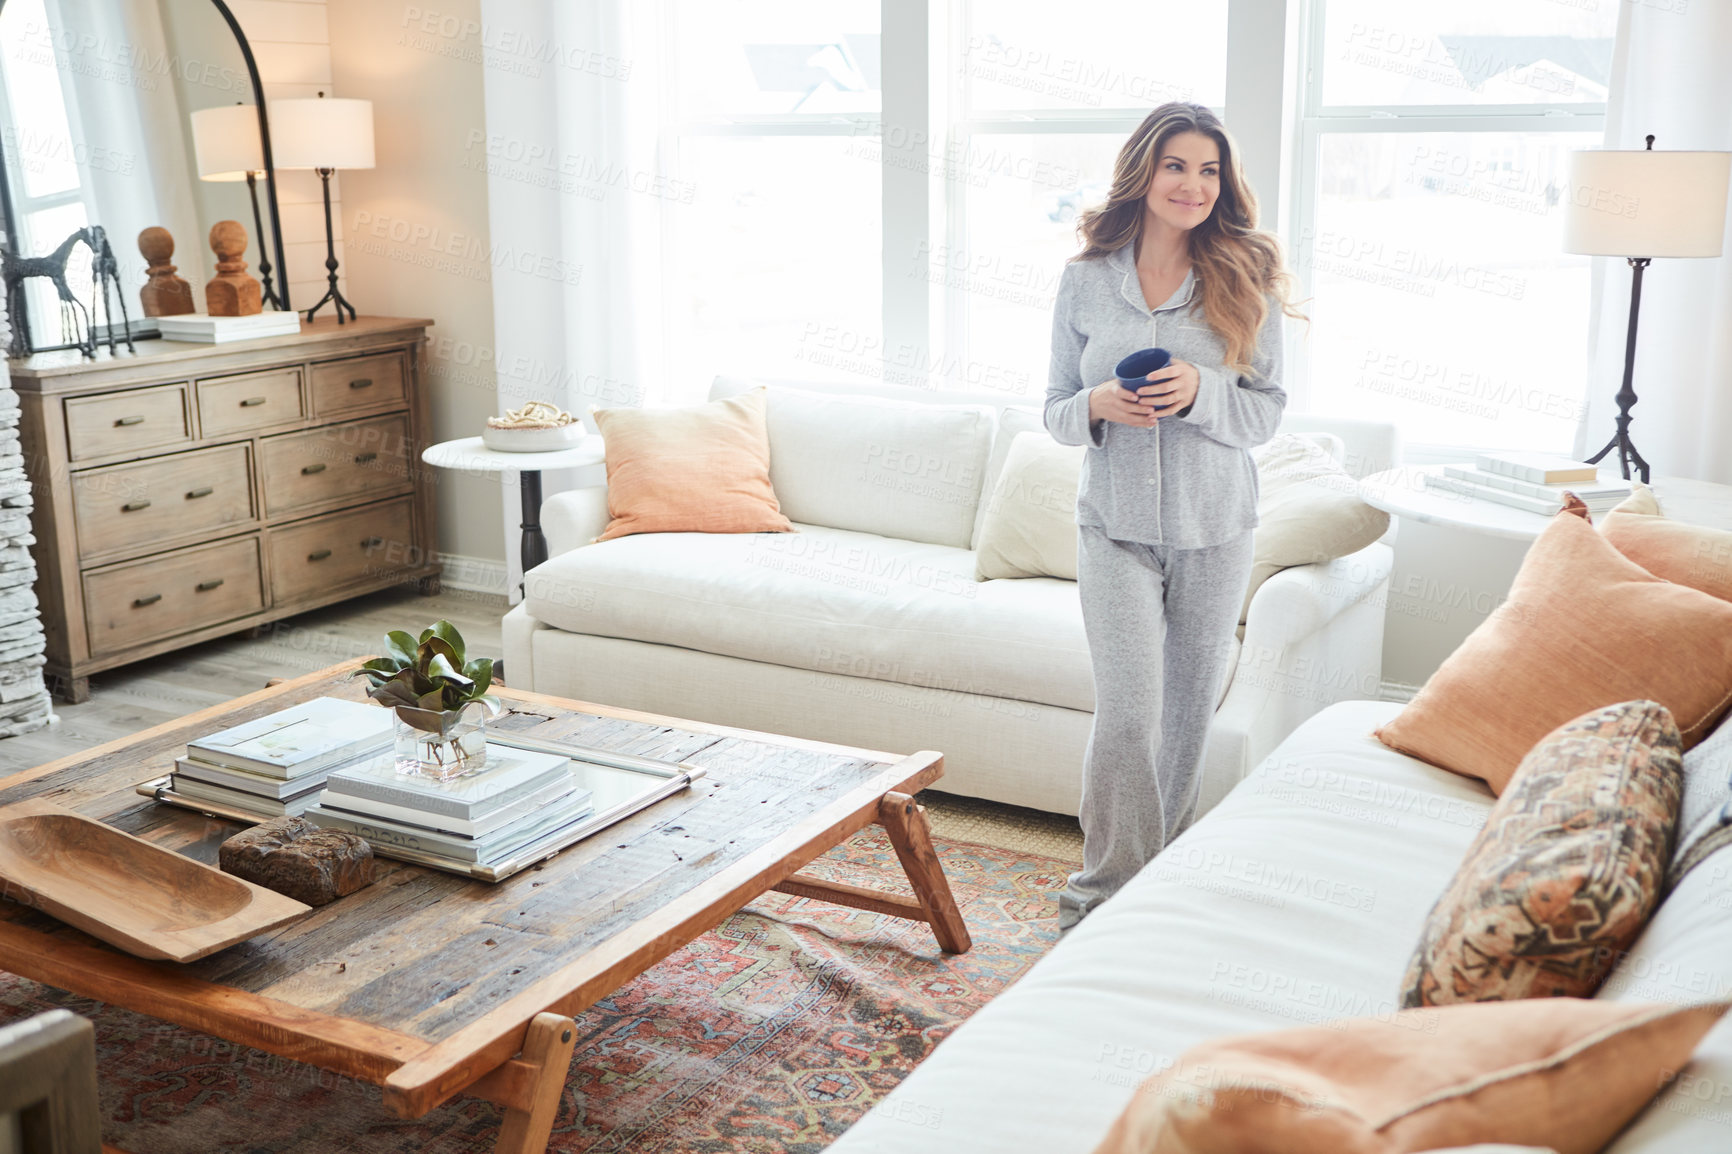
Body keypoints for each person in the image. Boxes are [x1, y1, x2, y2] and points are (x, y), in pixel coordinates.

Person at [1044, 101, 1304, 930]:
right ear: (1144, 172)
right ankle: (1103, 892)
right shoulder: (1085, 278)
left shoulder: (1244, 275)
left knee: (1186, 717)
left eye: (1208, 169)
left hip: (1215, 529)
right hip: (1113, 528)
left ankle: (1158, 889)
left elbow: (1264, 414)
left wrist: (1200, 393)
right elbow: (1052, 410)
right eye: (1176, 166)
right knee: (1128, 714)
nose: (1192, 184)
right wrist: (1097, 404)